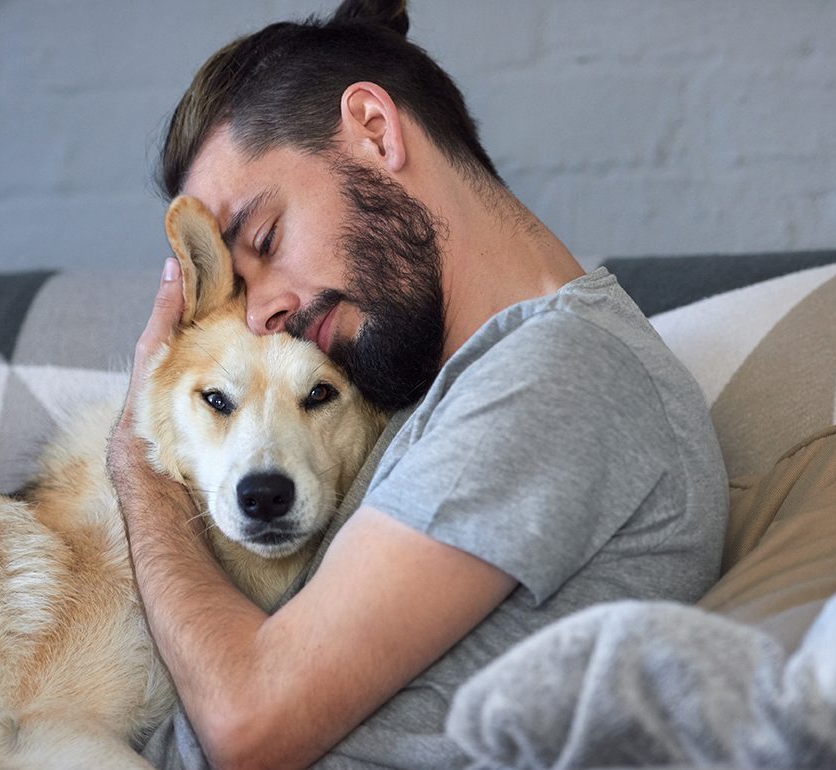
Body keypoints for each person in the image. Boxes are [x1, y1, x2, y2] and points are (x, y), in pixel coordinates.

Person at [107, 1, 729, 768]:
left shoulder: (554, 373)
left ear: (374, 129)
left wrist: (137, 456)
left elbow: (248, 724)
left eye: (265, 239)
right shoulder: (436, 380)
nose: (262, 311)